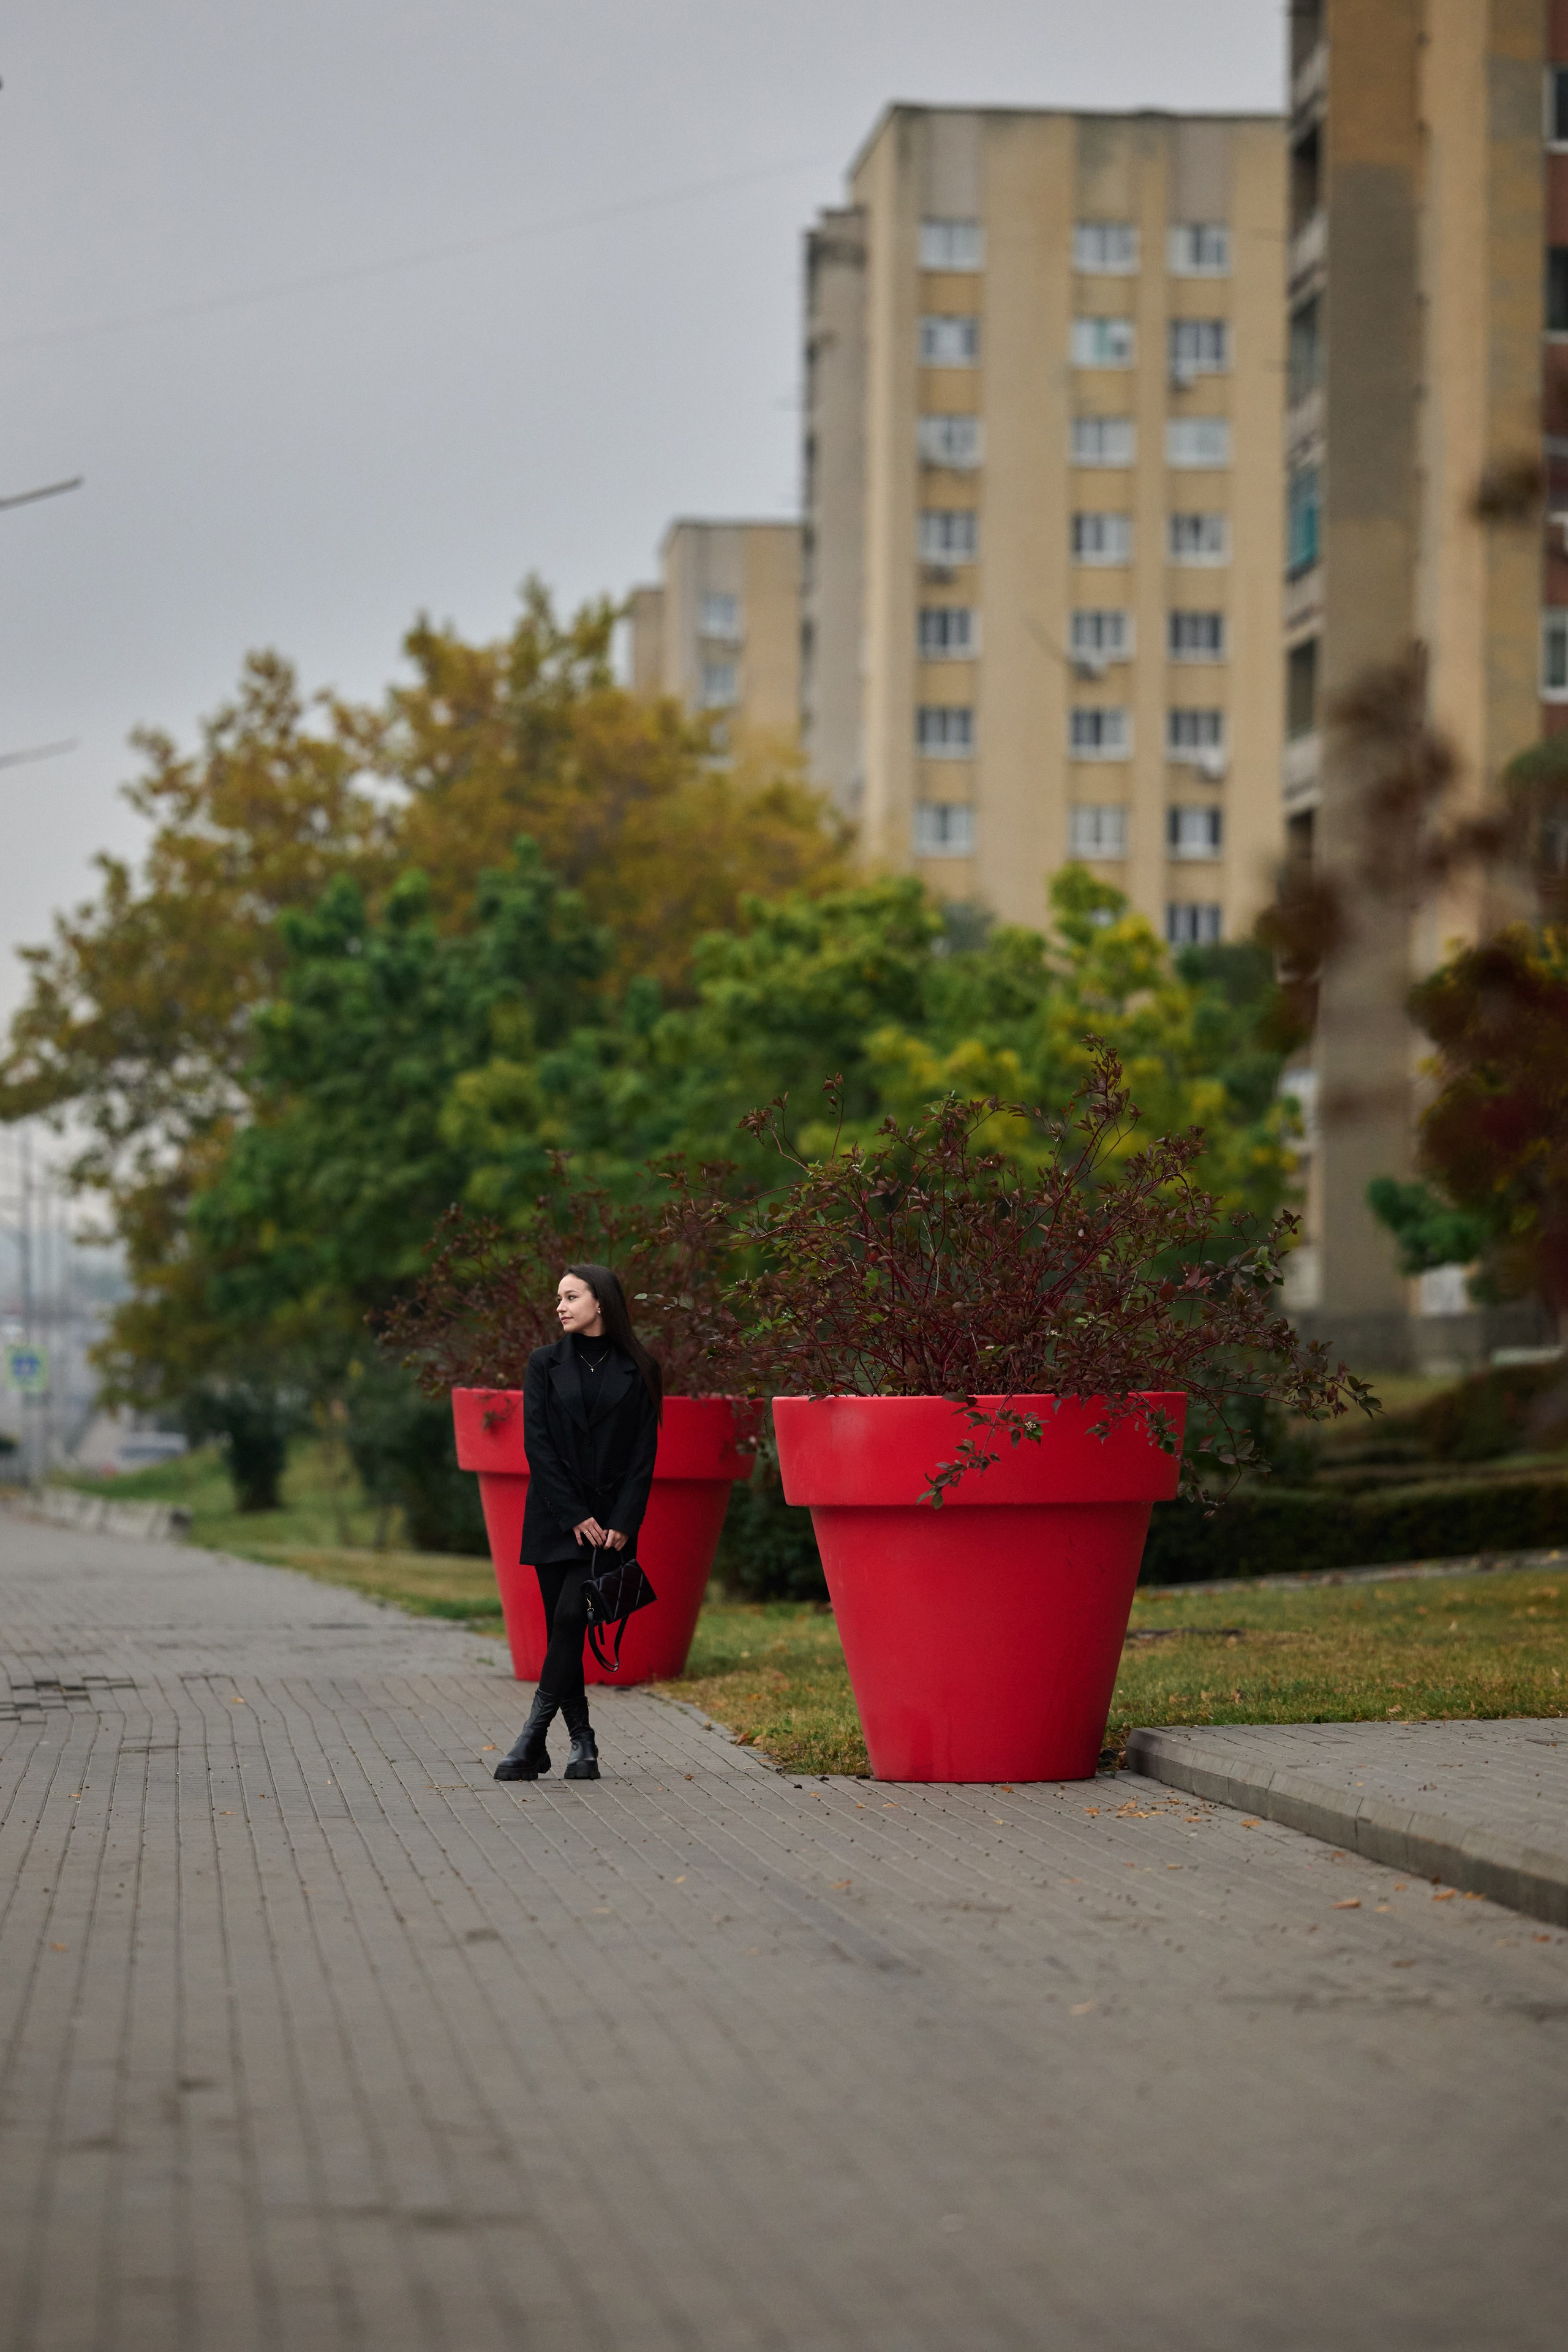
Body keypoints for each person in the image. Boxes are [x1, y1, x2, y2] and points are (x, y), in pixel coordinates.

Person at [493, 1262, 662, 1784]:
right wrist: (574, 1515)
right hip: (555, 1518)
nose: (560, 1307)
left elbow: (644, 1452)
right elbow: (537, 1446)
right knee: (561, 1630)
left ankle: (532, 1738)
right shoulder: (543, 1364)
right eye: (559, 1299)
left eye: (570, 1297)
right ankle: (583, 1745)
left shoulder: (642, 1367)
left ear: (601, 1302)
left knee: (570, 1620)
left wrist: (625, 1520)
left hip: (608, 1526)